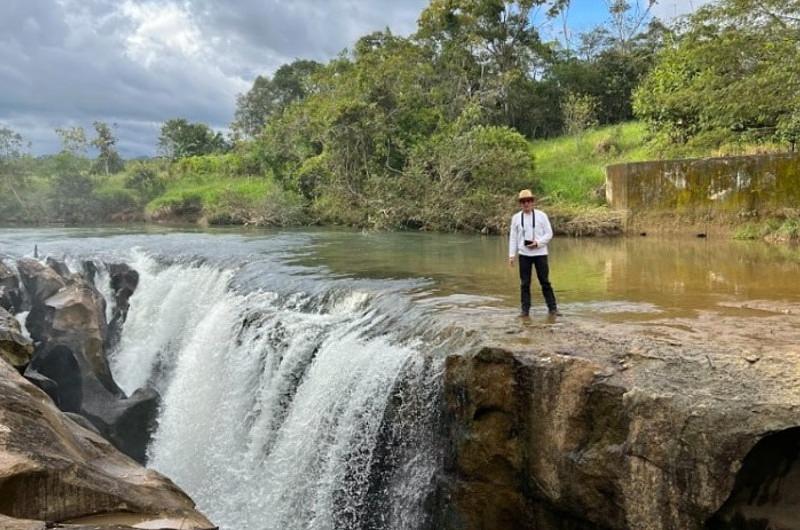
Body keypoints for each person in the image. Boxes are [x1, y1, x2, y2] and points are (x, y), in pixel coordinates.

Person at [508, 189, 560, 317]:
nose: (526, 204)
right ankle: (525, 310)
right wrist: (511, 255)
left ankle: (552, 308)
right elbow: (513, 237)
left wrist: (538, 243)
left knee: (545, 281)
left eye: (529, 201)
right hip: (524, 254)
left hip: (540, 253)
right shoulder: (515, 218)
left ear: (533, 202)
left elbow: (549, 234)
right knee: (525, 283)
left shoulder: (542, 215)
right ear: (520, 203)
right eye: (523, 201)